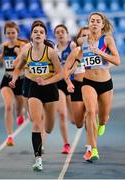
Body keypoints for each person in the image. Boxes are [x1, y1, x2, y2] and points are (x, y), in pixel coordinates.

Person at [9, 20, 62, 171]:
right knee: (36, 122)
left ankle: (45, 130)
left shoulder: (50, 52)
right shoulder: (26, 51)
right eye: (35, 32)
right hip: (34, 88)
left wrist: (46, 82)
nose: (38, 34)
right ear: (31, 35)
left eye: (41, 32)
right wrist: (13, 79)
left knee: (49, 128)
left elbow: (60, 74)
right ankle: (38, 159)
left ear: (45, 36)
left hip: (50, 88)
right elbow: (18, 68)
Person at [80, 12, 120, 161]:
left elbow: (117, 60)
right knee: (90, 111)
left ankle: (103, 122)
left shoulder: (107, 39)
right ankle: (93, 149)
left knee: (102, 118)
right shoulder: (83, 41)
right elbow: (76, 60)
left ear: (102, 25)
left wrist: (100, 53)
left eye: (98, 21)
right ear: (89, 23)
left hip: (105, 84)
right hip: (88, 82)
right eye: (92, 21)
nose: (95, 23)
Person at [0, 21, 26, 146]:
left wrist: (18, 53)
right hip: (6, 79)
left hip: (20, 80)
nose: (11, 35)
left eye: (13, 33)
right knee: (8, 106)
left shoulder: (22, 45)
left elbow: (23, 61)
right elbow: (2, 55)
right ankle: (10, 136)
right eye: (8, 33)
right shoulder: (5, 45)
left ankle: (20, 114)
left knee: (19, 106)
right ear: (5, 34)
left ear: (17, 33)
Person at [54, 24, 76, 154]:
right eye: (58, 32)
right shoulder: (53, 49)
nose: (60, 34)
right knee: (62, 114)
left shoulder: (72, 46)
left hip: (71, 83)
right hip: (59, 84)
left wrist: (68, 72)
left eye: (62, 31)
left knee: (74, 120)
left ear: (67, 33)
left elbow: (77, 63)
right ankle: (66, 144)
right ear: (55, 35)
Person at [64, 27, 90, 128]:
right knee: (78, 124)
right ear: (79, 38)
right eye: (83, 36)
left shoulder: (96, 50)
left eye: (88, 35)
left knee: (91, 113)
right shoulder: (76, 51)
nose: (86, 38)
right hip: (77, 86)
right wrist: (69, 83)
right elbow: (65, 69)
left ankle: (91, 142)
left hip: (91, 84)